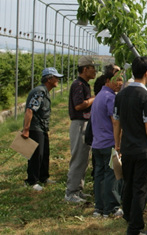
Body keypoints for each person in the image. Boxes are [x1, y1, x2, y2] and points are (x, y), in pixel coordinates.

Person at [113, 56, 147, 235]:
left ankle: (129, 217)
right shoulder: (145, 96)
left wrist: (117, 145)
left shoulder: (121, 95)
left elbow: (116, 122)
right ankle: (135, 228)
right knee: (141, 188)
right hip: (143, 151)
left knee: (129, 184)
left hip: (127, 148)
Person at [22, 67, 63, 191]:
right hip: (35, 128)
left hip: (42, 127)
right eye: (56, 77)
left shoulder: (44, 91)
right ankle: (31, 181)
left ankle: (43, 177)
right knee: (36, 155)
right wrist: (26, 129)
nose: (58, 80)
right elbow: (30, 110)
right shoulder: (39, 92)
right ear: (49, 79)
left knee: (44, 153)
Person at [91, 68, 124, 218]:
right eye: (117, 80)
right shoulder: (111, 98)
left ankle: (99, 208)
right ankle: (111, 208)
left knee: (99, 176)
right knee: (112, 175)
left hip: (97, 144)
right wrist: (118, 144)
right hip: (109, 143)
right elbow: (115, 122)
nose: (120, 83)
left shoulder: (98, 96)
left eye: (121, 80)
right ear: (107, 81)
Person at [65, 55, 98, 203]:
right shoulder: (78, 85)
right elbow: (79, 105)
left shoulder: (84, 84)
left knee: (83, 158)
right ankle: (71, 193)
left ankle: (78, 190)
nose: (95, 71)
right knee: (78, 158)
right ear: (85, 69)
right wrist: (94, 99)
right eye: (93, 68)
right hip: (79, 124)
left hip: (83, 123)